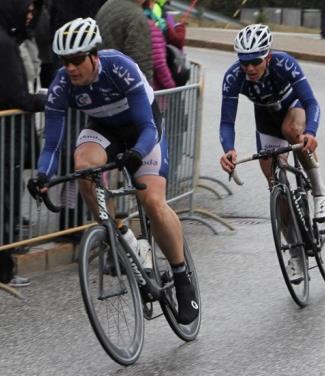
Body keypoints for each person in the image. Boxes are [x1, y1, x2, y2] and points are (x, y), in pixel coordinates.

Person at [29, 18, 198, 323]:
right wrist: (42, 175)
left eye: (78, 59)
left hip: (142, 132)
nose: (70, 67)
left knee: (153, 203)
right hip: (104, 130)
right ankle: (123, 236)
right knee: (83, 167)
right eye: (65, 61)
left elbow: (147, 126)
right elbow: (52, 142)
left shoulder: (120, 68)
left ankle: (181, 275)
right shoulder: (62, 84)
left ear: (94, 55)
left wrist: (136, 154)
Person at [218, 24, 325, 279]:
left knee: (291, 129)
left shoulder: (284, 63)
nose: (249, 68)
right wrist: (228, 150)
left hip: (293, 109)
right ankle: (295, 253)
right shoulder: (233, 76)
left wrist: (310, 133)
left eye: (255, 62)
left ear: (267, 57)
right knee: (275, 186)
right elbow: (227, 122)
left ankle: (320, 194)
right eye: (244, 62)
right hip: (266, 121)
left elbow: (312, 102)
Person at [0, 0, 47, 288]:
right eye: (26, 8)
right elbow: (16, 95)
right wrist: (45, 100)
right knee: (5, 199)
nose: (30, 14)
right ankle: (4, 269)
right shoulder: (5, 45)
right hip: (6, 135)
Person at [96, 0, 153, 84]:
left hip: (99, 77)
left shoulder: (109, 4)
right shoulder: (136, 15)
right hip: (122, 85)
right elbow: (141, 61)